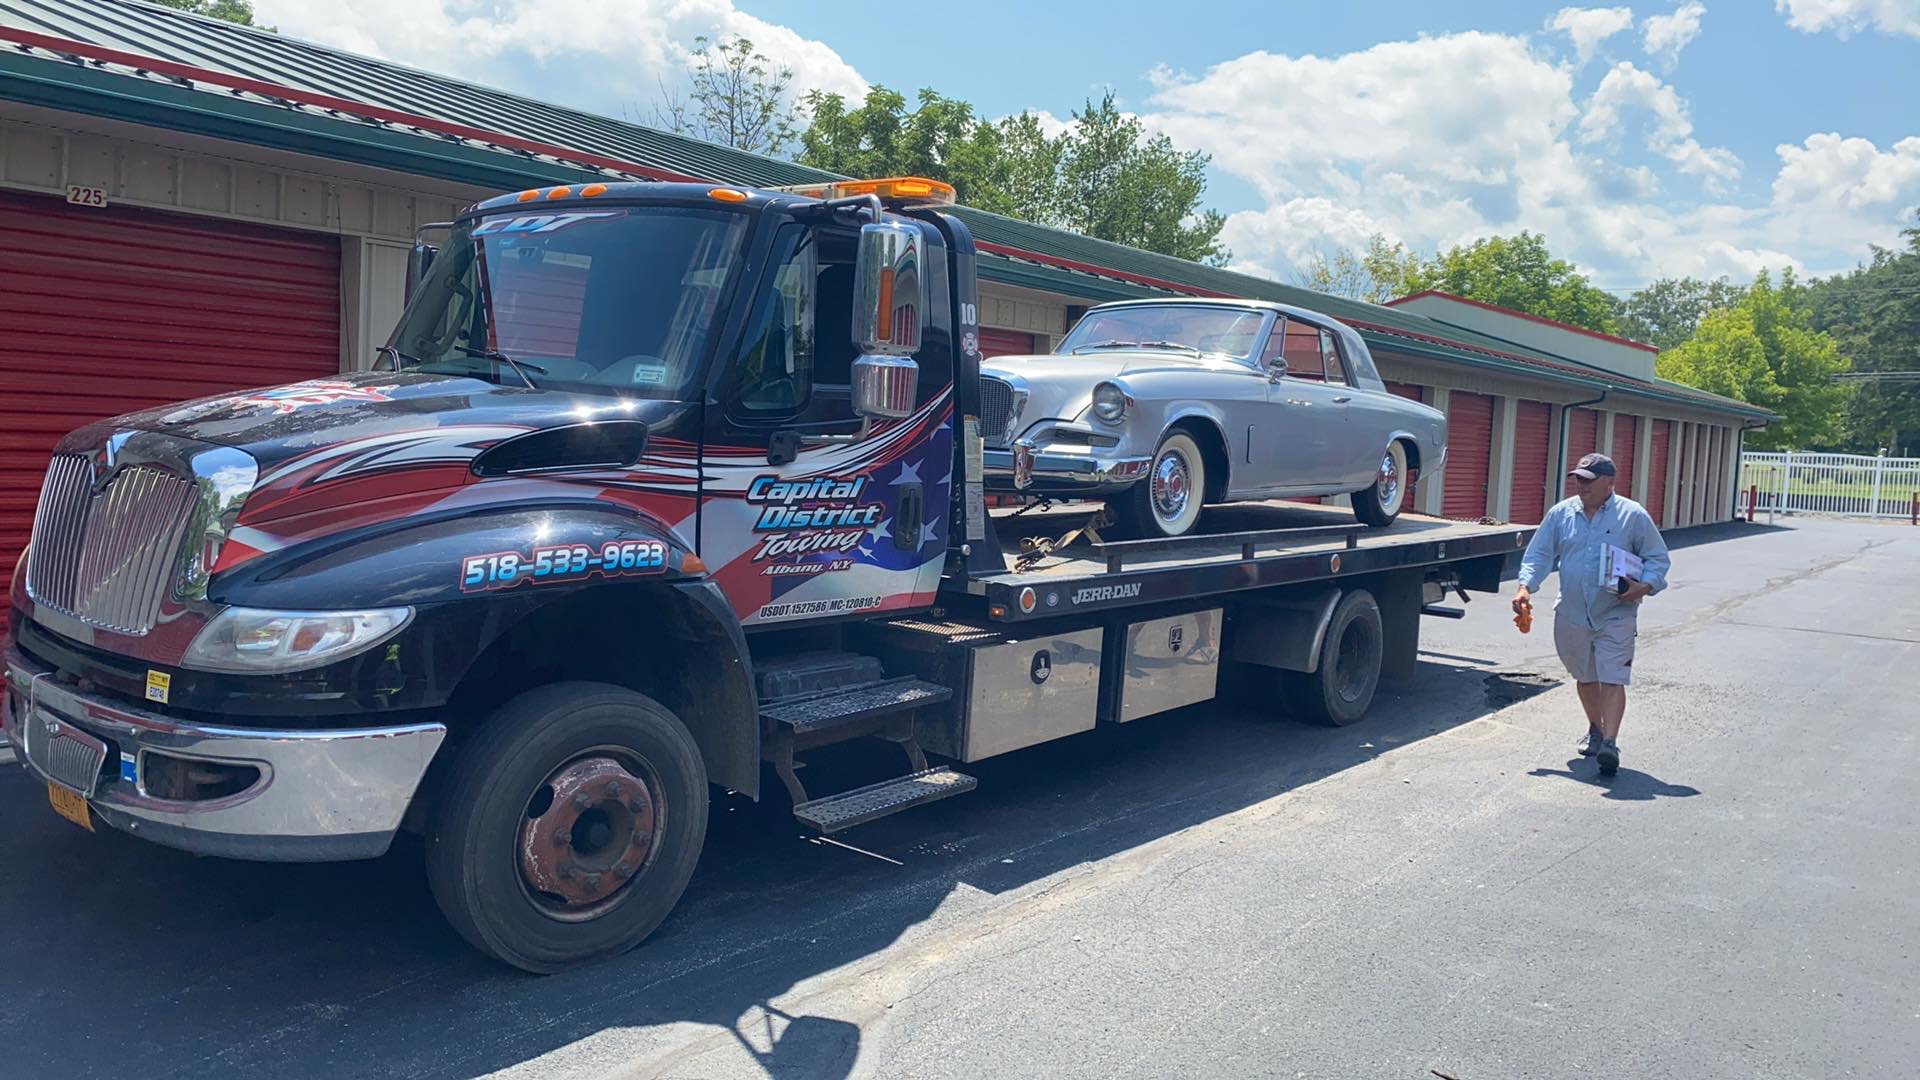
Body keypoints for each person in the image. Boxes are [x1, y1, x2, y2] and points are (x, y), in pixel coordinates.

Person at [1512, 453, 1671, 776]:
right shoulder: (1562, 514)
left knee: (1612, 677)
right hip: (1572, 612)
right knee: (1585, 677)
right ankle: (1595, 729)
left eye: (1588, 480)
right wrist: (1525, 587)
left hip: (1616, 612)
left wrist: (1643, 587)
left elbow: (1658, 559)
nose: (1581, 485)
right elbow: (1540, 553)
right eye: (1578, 479)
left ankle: (1610, 743)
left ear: (1609, 483)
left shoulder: (1632, 516)